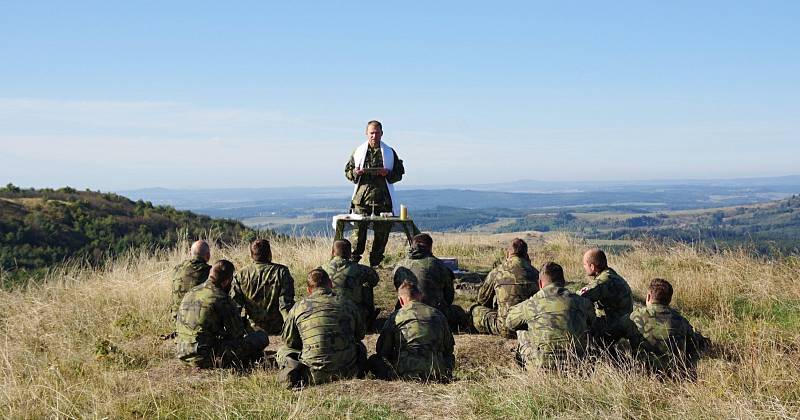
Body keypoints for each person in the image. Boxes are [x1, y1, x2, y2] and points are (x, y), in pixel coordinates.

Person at [276, 269, 367, 388]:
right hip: (349, 371)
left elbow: (289, 341)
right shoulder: (347, 303)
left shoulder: (298, 307)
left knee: (283, 351)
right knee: (360, 346)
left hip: (312, 374)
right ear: (330, 284)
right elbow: (360, 334)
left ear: (309, 290)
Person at [175, 260, 268, 368]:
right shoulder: (221, 298)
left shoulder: (191, 292)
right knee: (261, 337)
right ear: (225, 282)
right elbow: (237, 334)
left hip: (182, 353)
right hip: (205, 357)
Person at [506, 262, 595, 370]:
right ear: (563, 282)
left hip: (541, 368)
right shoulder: (582, 302)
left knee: (522, 331)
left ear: (540, 283)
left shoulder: (531, 304)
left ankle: (524, 365)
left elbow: (510, 322)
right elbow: (592, 322)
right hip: (577, 366)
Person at [344, 120, 405, 267]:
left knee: (381, 236)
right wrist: (355, 172)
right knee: (358, 237)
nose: (374, 136)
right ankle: (353, 266)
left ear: (382, 134)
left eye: (377, 133)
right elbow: (348, 172)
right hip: (362, 201)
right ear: (366, 133)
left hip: (383, 201)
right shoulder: (358, 151)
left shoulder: (389, 152)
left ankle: (375, 265)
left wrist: (388, 173)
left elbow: (399, 173)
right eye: (371, 133)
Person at [368, 280, 455, 382]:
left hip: (405, 374)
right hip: (437, 373)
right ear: (420, 296)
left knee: (374, 360)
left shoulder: (396, 316)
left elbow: (383, 351)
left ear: (401, 301)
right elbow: (448, 348)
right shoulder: (438, 314)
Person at [625, 278, 709, 379]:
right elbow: (694, 344)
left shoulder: (635, 317)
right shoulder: (680, 320)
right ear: (669, 300)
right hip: (674, 375)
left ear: (648, 296)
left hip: (642, 373)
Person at [392, 233, 466, 331]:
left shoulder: (400, 265)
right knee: (458, 312)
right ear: (430, 247)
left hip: (405, 313)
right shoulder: (438, 265)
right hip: (435, 315)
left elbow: (398, 290)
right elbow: (449, 297)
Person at [470, 238, 539, 338]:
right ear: (526, 255)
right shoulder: (536, 273)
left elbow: (482, 299)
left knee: (475, 310)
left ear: (507, 254)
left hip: (505, 328)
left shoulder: (497, 271)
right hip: (529, 328)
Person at [231, 239, 295, 334]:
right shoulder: (281, 272)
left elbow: (236, 306)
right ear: (269, 253)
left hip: (252, 328)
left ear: (252, 255)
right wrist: (291, 329)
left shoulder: (241, 274)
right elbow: (285, 304)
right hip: (278, 327)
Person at [578, 248, 633, 346]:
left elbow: (577, 298)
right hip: (622, 324)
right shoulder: (610, 275)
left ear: (592, 266)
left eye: (585, 265)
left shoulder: (604, 281)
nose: (584, 267)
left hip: (613, 328)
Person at [322, 239, 380, 328]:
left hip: (327, 313)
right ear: (350, 254)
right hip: (352, 313)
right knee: (367, 286)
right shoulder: (360, 269)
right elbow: (374, 279)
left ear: (333, 252)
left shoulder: (322, 269)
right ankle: (368, 319)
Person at [170, 240, 212, 321]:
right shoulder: (208, 271)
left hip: (176, 320)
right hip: (194, 323)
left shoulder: (177, 269)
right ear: (208, 255)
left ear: (190, 253)